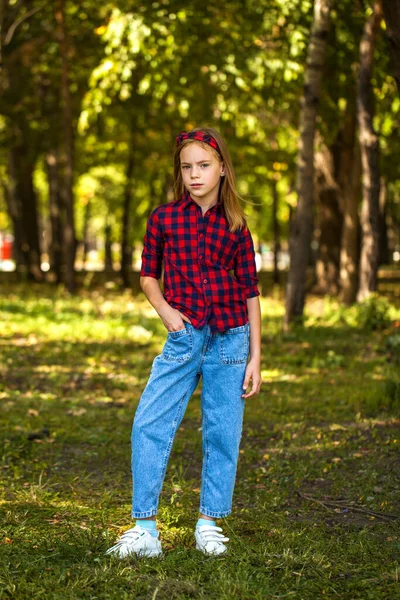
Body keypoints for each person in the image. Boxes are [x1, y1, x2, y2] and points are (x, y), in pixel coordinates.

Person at [106, 127, 262, 559]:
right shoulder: (164, 218)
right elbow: (147, 276)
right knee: (149, 421)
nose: (195, 174)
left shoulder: (236, 226)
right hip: (184, 334)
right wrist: (169, 316)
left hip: (230, 340)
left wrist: (256, 357)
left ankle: (208, 522)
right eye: (187, 167)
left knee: (222, 431)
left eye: (204, 166)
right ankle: (144, 529)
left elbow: (251, 292)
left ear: (223, 170)